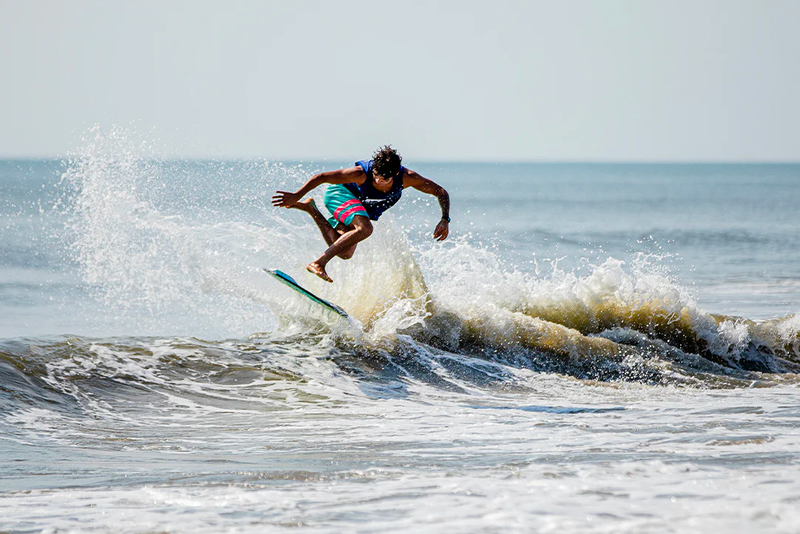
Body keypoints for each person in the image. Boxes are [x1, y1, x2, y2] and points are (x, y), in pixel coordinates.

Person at [272, 145, 450, 283]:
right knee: (365, 228)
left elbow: (440, 191)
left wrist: (444, 219)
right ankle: (319, 263)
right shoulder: (360, 174)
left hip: (356, 206)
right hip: (339, 195)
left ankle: (311, 209)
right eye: (376, 176)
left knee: (345, 253)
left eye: (384, 179)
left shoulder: (409, 178)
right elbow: (322, 177)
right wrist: (296, 195)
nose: (378, 181)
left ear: (396, 174)